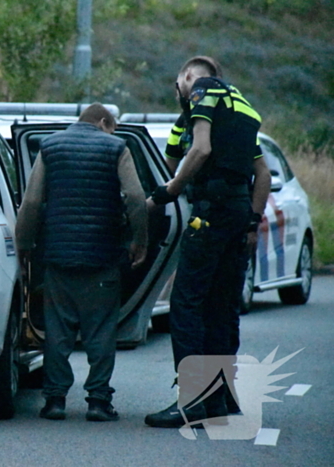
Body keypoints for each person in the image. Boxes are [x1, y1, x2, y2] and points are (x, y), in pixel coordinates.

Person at [145, 56, 271, 428]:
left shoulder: (205, 92)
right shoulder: (241, 107)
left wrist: (167, 193)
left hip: (210, 214)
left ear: (185, 78)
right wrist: (251, 222)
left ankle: (191, 401)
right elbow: (261, 174)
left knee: (186, 306)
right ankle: (220, 399)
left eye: (179, 86)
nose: (181, 94)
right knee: (221, 307)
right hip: (235, 215)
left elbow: (199, 151)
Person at [15, 103, 148, 422]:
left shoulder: (50, 147)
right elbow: (135, 197)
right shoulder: (116, 147)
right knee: (101, 330)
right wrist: (138, 242)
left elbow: (32, 201)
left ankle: (55, 401)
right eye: (112, 127)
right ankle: (98, 402)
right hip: (102, 258)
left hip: (59, 257)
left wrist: (24, 245)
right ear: (104, 122)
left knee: (58, 331)